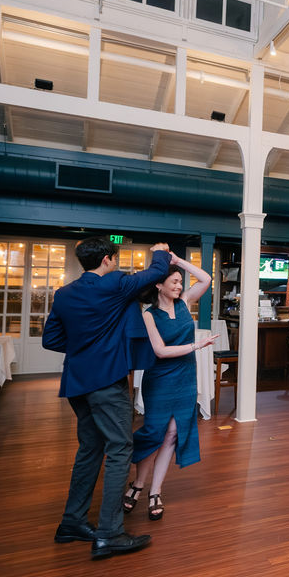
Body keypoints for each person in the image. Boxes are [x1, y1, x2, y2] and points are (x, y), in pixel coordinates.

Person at [42, 237, 169, 559]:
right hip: (106, 383)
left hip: (77, 382)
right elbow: (157, 271)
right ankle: (110, 534)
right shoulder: (116, 284)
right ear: (108, 260)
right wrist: (160, 251)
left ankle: (72, 522)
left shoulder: (64, 293)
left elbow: (51, 339)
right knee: (120, 449)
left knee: (90, 448)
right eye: (114, 257)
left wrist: (85, 347)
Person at [123, 257, 217, 521]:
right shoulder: (148, 315)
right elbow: (160, 351)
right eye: (174, 282)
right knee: (155, 433)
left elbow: (206, 279)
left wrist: (178, 262)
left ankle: (155, 491)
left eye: (180, 282)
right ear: (159, 285)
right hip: (160, 379)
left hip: (186, 378)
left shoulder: (185, 302)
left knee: (173, 434)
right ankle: (138, 484)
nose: (179, 286)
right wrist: (196, 346)